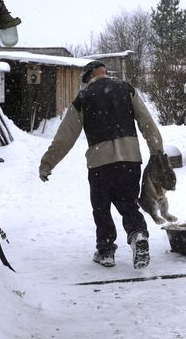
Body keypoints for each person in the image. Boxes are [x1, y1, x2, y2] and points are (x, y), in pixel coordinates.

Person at [39, 60, 164, 269]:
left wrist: (47, 163)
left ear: (88, 77)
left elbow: (65, 136)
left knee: (101, 206)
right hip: (130, 159)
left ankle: (106, 251)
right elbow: (147, 122)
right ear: (105, 72)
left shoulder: (84, 97)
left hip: (100, 163)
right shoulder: (126, 89)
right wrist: (157, 151)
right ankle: (138, 235)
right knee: (128, 204)